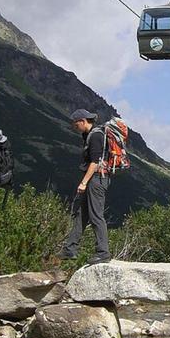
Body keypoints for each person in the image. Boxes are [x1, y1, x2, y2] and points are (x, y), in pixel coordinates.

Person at [56, 109, 111, 265]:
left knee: (95, 215)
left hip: (97, 179)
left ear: (82, 121)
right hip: (96, 178)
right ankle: (70, 249)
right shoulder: (89, 135)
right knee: (82, 214)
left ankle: (103, 252)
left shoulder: (96, 136)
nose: (74, 127)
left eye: (75, 124)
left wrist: (83, 182)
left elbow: (95, 162)